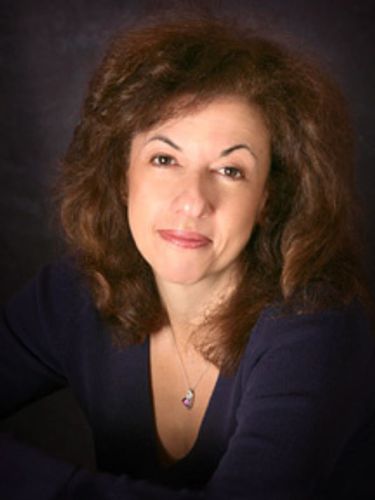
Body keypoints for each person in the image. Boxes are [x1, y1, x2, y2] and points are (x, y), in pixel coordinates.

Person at [1, 13, 375, 500]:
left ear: (266, 199)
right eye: (164, 159)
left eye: (230, 170)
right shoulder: (77, 293)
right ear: (120, 175)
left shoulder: (317, 327)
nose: (194, 199)